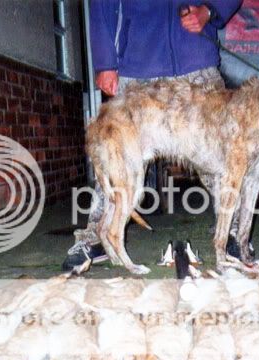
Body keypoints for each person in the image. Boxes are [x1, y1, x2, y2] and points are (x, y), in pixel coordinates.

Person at [63, 0, 242, 270]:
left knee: (222, 157)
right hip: (138, 65)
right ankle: (96, 238)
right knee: (117, 160)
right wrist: (104, 61)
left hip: (196, 61)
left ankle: (233, 236)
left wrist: (210, 10)